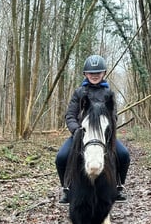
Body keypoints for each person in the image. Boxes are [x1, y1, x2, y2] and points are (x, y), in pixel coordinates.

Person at [56, 54, 131, 204]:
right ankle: (67, 188)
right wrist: (77, 130)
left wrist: (106, 129)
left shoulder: (109, 94)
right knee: (61, 157)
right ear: (85, 74)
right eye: (91, 73)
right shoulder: (79, 93)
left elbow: (113, 116)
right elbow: (70, 115)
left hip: (103, 135)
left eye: (98, 73)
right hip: (81, 133)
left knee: (123, 155)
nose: (94, 76)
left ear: (103, 73)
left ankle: (118, 186)